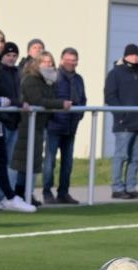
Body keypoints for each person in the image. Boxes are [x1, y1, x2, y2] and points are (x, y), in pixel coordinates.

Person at [11, 51, 71, 207]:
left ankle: (26, 193)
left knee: (34, 162)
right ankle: (19, 193)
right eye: (45, 62)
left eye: (50, 62)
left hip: (40, 125)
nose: (49, 65)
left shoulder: (48, 81)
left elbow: (47, 99)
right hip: (27, 125)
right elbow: (38, 100)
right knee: (24, 162)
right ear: (37, 63)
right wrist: (60, 104)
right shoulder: (31, 79)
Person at [104, 43, 138, 199]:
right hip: (124, 124)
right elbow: (110, 96)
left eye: (136, 55)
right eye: (132, 54)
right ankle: (117, 187)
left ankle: (131, 187)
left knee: (136, 158)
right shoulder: (115, 73)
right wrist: (121, 115)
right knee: (121, 156)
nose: (134, 57)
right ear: (125, 55)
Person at [0, 28, 36, 213]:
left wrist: (13, 102)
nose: (0, 45)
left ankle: (7, 196)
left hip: (1, 120)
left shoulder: (7, 68)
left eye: (1, 41)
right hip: (1, 117)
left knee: (1, 159)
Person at [42, 47, 87, 205]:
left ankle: (63, 192)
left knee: (67, 163)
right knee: (49, 162)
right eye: (68, 60)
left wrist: (78, 116)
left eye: (74, 60)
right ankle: (47, 192)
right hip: (55, 126)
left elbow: (83, 100)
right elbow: (49, 98)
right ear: (62, 60)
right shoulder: (54, 76)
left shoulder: (79, 79)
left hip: (71, 127)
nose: (71, 63)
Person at [0, 41, 22, 201]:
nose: (11, 58)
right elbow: (4, 97)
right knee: (0, 161)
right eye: (8, 55)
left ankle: (2, 195)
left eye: (14, 56)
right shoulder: (0, 73)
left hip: (13, 121)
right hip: (2, 121)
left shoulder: (17, 72)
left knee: (6, 161)